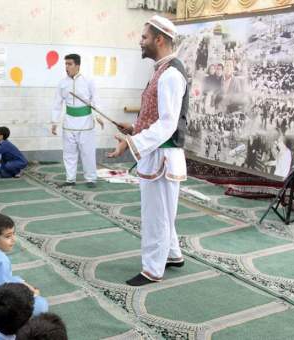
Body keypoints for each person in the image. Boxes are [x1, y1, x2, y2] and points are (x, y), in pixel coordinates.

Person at [108, 15, 187, 286]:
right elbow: (156, 117)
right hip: (157, 154)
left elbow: (168, 124)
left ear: (159, 39)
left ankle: (152, 270)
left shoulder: (172, 74)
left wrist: (131, 143)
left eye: (144, 37)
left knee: (156, 216)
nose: (140, 42)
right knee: (163, 212)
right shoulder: (161, 70)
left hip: (162, 156)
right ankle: (173, 255)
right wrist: (135, 127)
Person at [0, 213, 48, 315]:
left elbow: (5, 280)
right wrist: (32, 295)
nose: (13, 239)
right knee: (41, 305)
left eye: (13, 234)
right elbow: (7, 294)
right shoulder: (1, 260)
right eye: (8, 236)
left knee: (16, 280)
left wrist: (24, 284)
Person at [51, 53, 103, 188]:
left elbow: (96, 99)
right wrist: (54, 122)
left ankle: (90, 178)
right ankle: (70, 179)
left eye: (69, 64)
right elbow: (57, 103)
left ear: (77, 65)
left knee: (88, 152)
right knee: (69, 152)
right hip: (69, 122)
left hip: (86, 122)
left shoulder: (88, 80)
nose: (66, 67)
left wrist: (99, 117)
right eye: (65, 64)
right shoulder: (62, 83)